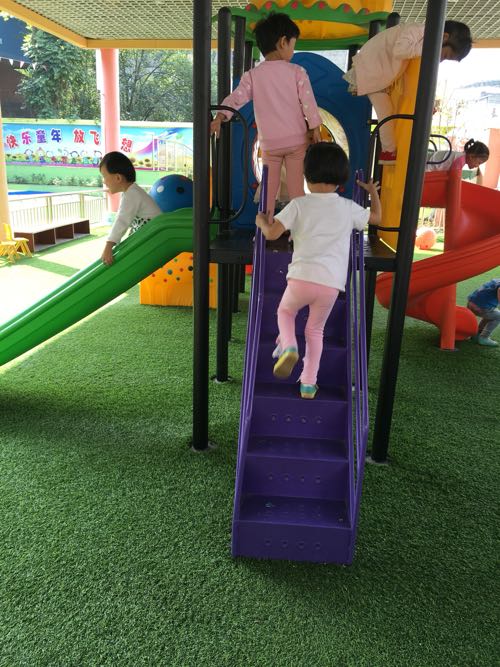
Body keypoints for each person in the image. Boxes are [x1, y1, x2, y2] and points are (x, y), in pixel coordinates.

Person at [255, 142, 382, 399]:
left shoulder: (299, 205)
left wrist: (260, 221)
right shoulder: (348, 207)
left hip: (301, 278)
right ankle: (308, 383)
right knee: (315, 332)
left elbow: (272, 234)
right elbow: (377, 219)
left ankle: (289, 346)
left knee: (285, 311)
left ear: (306, 174)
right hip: (331, 284)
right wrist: (372, 193)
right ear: (341, 178)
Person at [210, 12, 322, 222]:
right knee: (297, 189)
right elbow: (308, 102)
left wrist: (220, 116)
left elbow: (236, 98)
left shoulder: (253, 75)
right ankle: (298, 230)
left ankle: (264, 228)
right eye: (293, 45)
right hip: (296, 141)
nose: (292, 51)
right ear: (283, 42)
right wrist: (315, 127)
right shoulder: (297, 72)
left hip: (270, 144)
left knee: (269, 191)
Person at [343, 20, 472, 165]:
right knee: (386, 113)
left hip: (378, 73)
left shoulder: (420, 38)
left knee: (388, 112)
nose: (440, 60)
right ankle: (388, 152)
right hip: (371, 71)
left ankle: (388, 151)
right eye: (445, 55)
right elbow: (400, 50)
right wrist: (429, 49)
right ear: (444, 37)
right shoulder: (417, 30)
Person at [100, 152, 161, 266]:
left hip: (155, 237)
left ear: (118, 178)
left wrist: (108, 246)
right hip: (152, 235)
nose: (103, 181)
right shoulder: (132, 191)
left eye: (104, 176)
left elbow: (122, 220)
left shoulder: (132, 194)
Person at [467, 278, 500, 347]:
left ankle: (477, 334)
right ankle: (484, 337)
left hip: (471, 303)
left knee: (492, 313)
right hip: (480, 308)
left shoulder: (497, 280)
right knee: (498, 316)